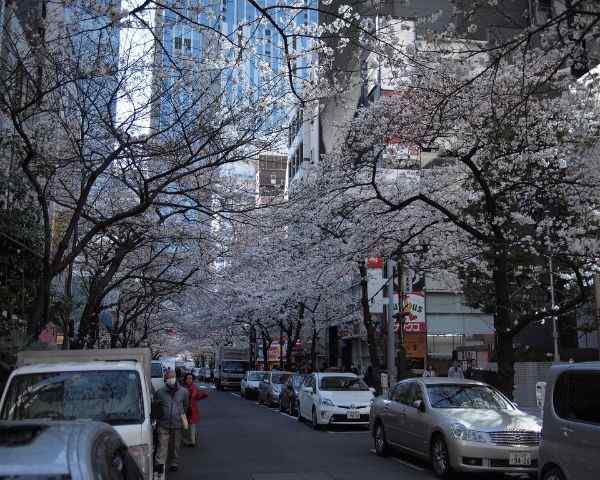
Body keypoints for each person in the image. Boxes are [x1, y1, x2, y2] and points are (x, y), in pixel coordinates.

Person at [155, 370, 189, 478]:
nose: (171, 379)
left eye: (172, 377)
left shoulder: (183, 392)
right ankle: (160, 464)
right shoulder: (160, 392)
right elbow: (156, 407)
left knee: (175, 445)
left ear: (176, 378)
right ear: (166, 379)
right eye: (169, 377)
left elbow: (185, 405)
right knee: (162, 445)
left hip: (177, 423)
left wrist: (180, 414)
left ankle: (174, 462)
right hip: (163, 424)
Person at [182, 373, 208, 447]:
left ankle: (192, 441)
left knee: (192, 425)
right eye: (188, 378)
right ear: (185, 379)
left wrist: (204, 394)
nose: (190, 380)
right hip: (184, 410)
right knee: (185, 426)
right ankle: (187, 440)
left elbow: (197, 397)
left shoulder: (194, 388)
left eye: (191, 378)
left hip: (192, 409)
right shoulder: (182, 388)